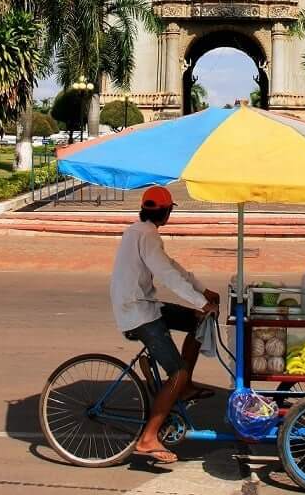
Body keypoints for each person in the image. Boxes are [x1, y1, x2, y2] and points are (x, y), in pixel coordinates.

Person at [110, 185, 220, 464]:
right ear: (167, 212)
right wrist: (201, 301)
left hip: (142, 306)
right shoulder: (146, 236)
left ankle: (182, 385)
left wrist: (202, 291)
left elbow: (172, 266)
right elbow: (167, 275)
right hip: (139, 313)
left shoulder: (139, 231)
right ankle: (148, 438)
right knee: (178, 372)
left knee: (198, 322)